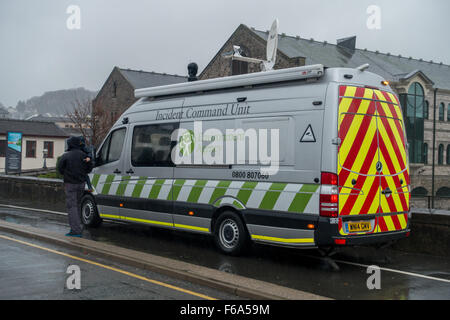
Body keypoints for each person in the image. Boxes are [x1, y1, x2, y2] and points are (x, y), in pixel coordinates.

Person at [57, 136, 93, 237]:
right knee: (77, 205)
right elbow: (89, 168)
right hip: (81, 184)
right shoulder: (84, 155)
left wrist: (66, 173)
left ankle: (75, 230)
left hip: (70, 184)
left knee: (71, 207)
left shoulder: (66, 156)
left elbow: (60, 168)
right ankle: (78, 226)